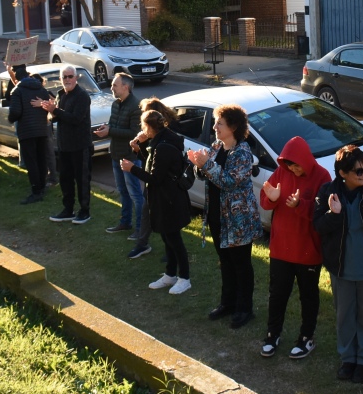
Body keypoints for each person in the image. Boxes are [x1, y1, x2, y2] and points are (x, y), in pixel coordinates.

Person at [313, 144, 363, 384]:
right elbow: (318, 227)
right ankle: (348, 358)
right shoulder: (328, 192)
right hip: (342, 268)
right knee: (344, 315)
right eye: (358, 170)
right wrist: (333, 214)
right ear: (343, 173)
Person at [188, 103, 262, 329]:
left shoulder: (243, 152)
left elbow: (229, 182)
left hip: (238, 220)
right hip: (218, 216)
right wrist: (198, 165)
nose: (215, 127)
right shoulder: (216, 146)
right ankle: (227, 303)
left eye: (219, 123)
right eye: (216, 122)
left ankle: (244, 308)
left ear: (234, 126)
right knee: (225, 262)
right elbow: (205, 174)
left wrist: (206, 164)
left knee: (241, 264)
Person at [259, 136, 330, 359]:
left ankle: (306, 338)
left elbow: (323, 212)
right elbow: (266, 199)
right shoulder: (282, 172)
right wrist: (271, 199)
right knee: (277, 293)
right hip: (281, 248)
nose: (293, 169)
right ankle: (272, 335)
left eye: (296, 164)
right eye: (289, 164)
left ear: (306, 160)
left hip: (308, 251)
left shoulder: (322, 176)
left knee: (308, 296)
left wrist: (300, 204)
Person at [122, 109, 193, 295]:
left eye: (143, 126)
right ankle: (170, 274)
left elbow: (155, 178)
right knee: (167, 238)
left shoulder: (163, 146)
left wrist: (132, 169)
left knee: (174, 240)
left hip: (169, 200)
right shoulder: (161, 141)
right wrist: (139, 151)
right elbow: (156, 167)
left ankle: (184, 278)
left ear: (148, 127)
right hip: (164, 198)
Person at [126, 97, 179, 259]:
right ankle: (143, 244)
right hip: (156, 186)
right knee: (148, 211)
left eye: (145, 115)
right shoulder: (156, 137)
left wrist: (132, 168)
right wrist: (140, 147)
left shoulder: (164, 139)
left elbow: (155, 174)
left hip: (164, 187)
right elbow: (149, 160)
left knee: (165, 218)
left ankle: (172, 251)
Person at [40, 65, 93, 223]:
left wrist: (55, 111)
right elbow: (57, 118)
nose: (68, 80)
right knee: (65, 179)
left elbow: (76, 119)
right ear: (60, 79)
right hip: (64, 146)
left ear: (76, 78)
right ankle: (68, 209)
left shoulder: (82, 96)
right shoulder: (61, 94)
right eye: (65, 77)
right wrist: (50, 110)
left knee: (82, 180)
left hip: (80, 145)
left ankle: (85, 211)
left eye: (70, 76)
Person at [95, 73, 144, 236]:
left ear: (126, 87)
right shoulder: (116, 104)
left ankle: (140, 228)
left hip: (130, 158)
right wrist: (106, 128)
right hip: (116, 154)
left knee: (135, 194)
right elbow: (113, 124)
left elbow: (134, 133)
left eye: (115, 85)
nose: (111, 88)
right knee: (123, 192)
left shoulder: (136, 106)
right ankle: (125, 222)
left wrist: (111, 131)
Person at [8, 64, 51, 204]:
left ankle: (36, 191)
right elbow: (48, 106)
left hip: (27, 131)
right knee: (41, 159)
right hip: (41, 129)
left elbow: (15, 112)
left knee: (31, 161)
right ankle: (42, 186)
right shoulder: (40, 88)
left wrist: (10, 119)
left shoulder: (17, 91)